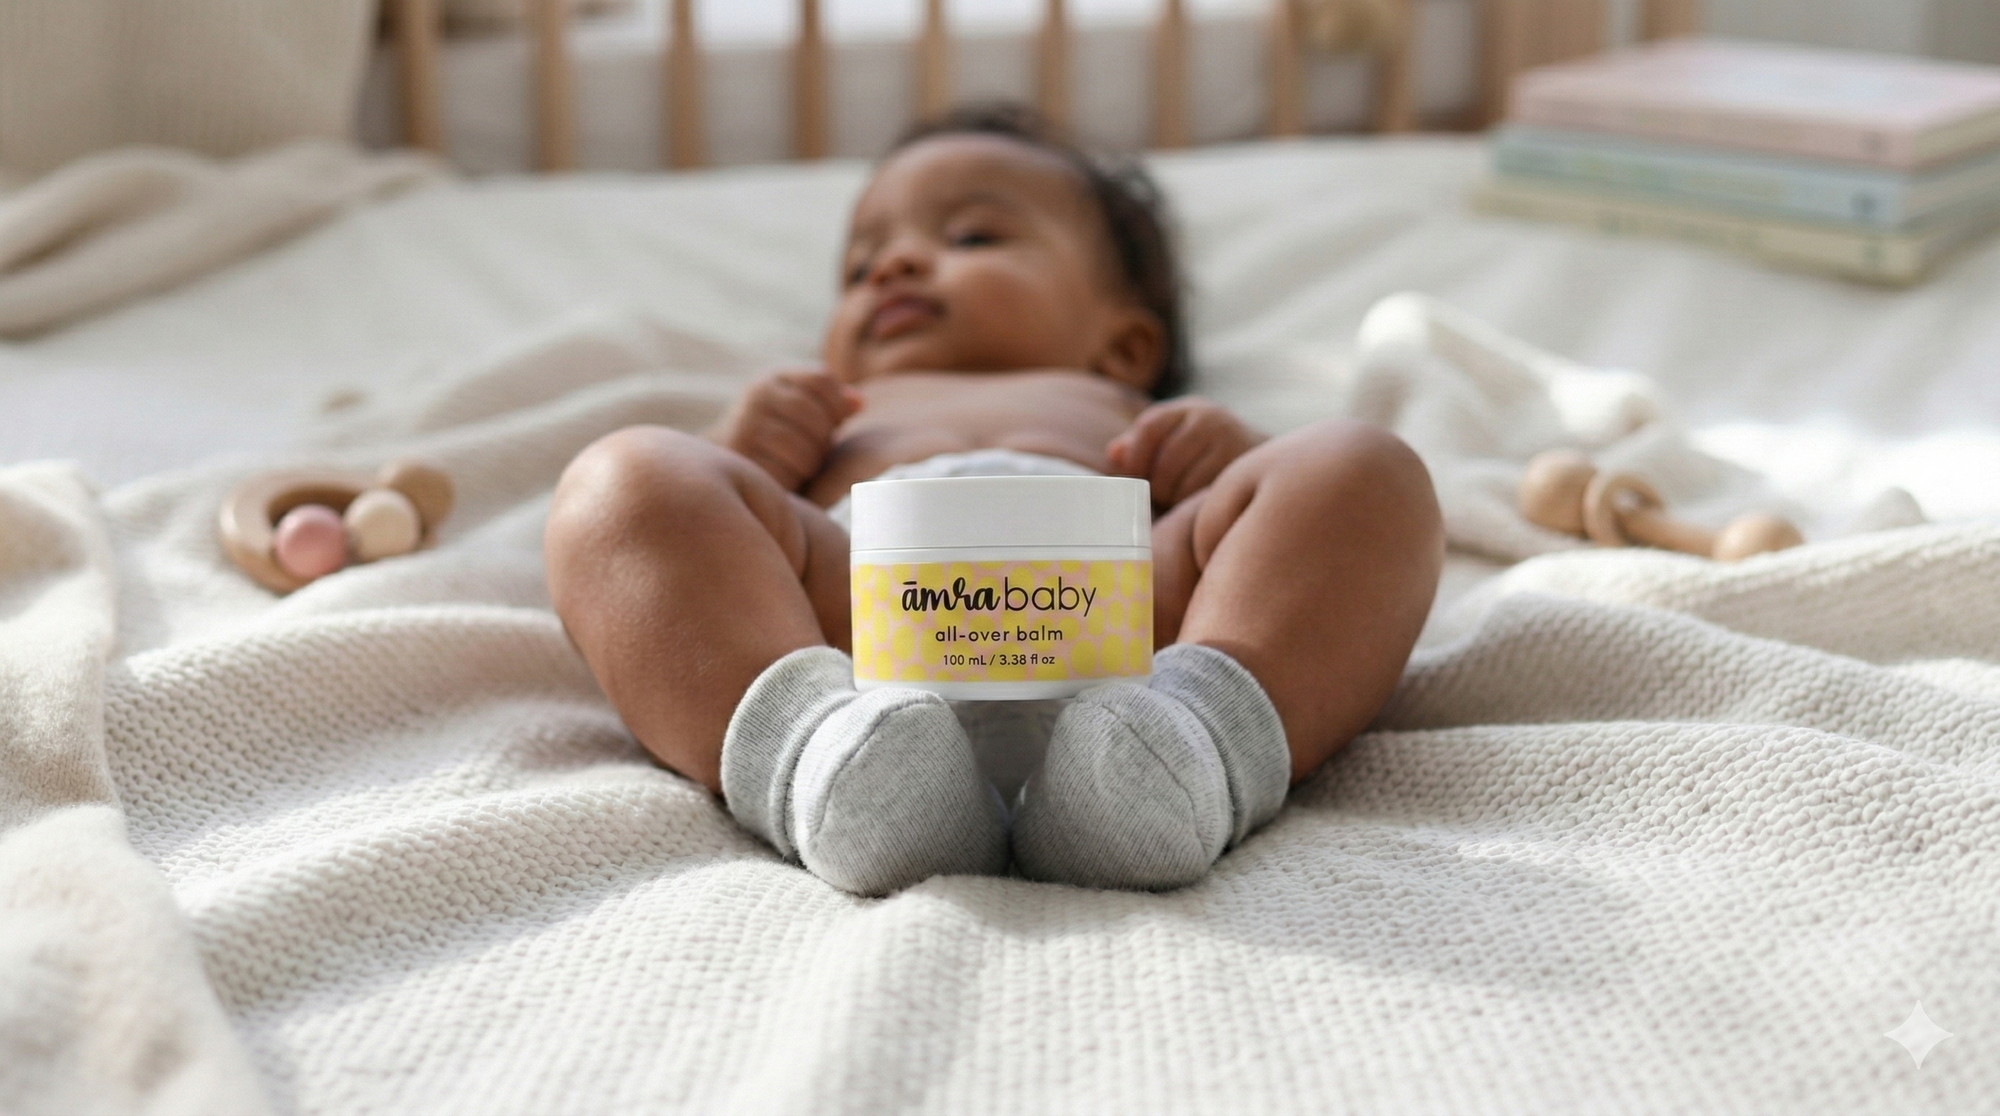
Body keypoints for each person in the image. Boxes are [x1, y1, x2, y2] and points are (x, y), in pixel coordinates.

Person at [544, 104, 1443, 896]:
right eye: (860, 268)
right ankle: (821, 763)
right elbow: (713, 560)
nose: (893, 266)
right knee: (624, 481)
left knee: (1357, 464)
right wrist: (744, 457)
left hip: (1128, 629)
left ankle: (1189, 752)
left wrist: (1232, 467)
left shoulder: (1130, 411)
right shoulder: (832, 423)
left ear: (1124, 347)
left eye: (972, 237)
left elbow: (1269, 556)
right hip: (857, 627)